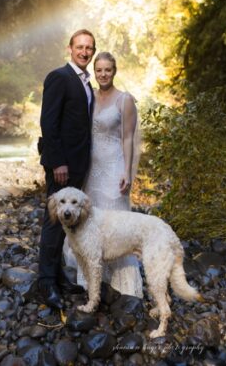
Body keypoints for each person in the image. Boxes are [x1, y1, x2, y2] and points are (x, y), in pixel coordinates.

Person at [63, 52, 143, 297]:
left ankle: (122, 285)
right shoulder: (90, 96)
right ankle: (91, 282)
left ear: (114, 71)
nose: (103, 74)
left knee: (116, 225)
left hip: (114, 169)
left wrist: (127, 172)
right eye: (99, 70)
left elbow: (128, 138)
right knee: (89, 225)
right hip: (91, 170)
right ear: (94, 72)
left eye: (108, 70)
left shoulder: (124, 100)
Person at [36, 29, 96, 309]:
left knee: (66, 223)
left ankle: (59, 276)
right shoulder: (59, 77)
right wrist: (58, 161)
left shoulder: (86, 83)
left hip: (79, 165)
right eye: (80, 47)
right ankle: (46, 283)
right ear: (70, 48)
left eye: (89, 48)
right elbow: (49, 123)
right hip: (61, 165)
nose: (85, 52)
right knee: (53, 221)